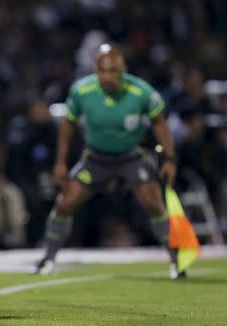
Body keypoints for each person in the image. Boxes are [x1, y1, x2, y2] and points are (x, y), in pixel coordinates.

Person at [35, 44, 183, 279]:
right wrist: (60, 163)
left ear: (123, 69)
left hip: (131, 157)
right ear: (95, 69)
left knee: (154, 203)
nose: (107, 76)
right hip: (96, 158)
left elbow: (160, 124)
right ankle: (47, 259)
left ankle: (177, 262)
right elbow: (68, 125)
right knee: (65, 203)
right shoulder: (82, 91)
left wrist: (170, 159)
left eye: (113, 71)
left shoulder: (142, 92)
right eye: (102, 71)